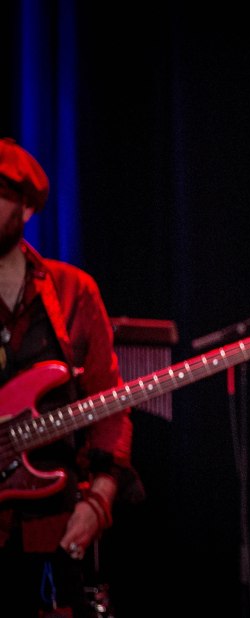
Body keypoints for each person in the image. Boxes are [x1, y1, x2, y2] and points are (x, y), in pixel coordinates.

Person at [0, 138, 139, 617]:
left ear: (26, 208)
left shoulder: (72, 292)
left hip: (53, 529)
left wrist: (99, 500)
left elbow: (110, 408)